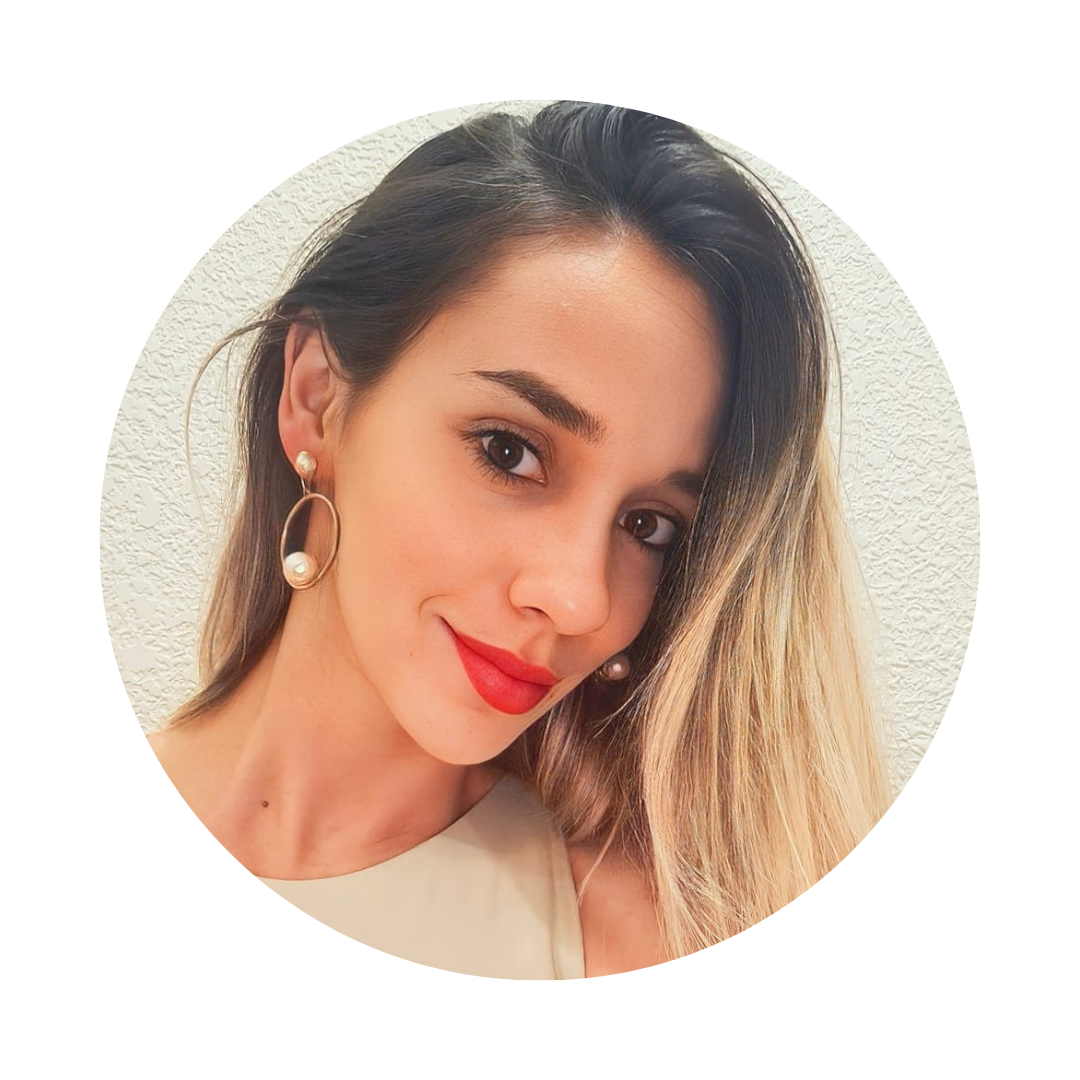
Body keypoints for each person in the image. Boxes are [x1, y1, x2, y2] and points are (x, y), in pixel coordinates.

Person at [148, 101, 892, 979]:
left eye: (648, 526)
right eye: (510, 451)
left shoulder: (646, 949)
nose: (581, 598)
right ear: (317, 398)